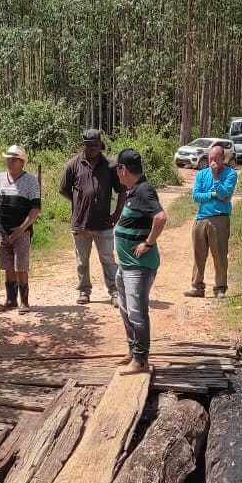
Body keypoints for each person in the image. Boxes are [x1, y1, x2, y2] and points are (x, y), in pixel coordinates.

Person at [112, 148, 168, 374]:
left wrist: (148, 243)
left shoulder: (144, 191)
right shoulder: (133, 190)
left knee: (137, 312)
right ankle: (133, 351)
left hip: (138, 267)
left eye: (118, 169)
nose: (117, 173)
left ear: (123, 169)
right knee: (126, 309)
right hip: (126, 265)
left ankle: (141, 360)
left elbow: (161, 217)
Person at [59, 129, 126, 306]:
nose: (92, 149)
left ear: (100, 146)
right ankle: (84, 291)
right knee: (82, 261)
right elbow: (64, 189)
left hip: (103, 223)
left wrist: (117, 214)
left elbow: (122, 191)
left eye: (95, 145)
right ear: (84, 145)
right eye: (89, 145)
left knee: (108, 259)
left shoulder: (110, 166)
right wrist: (78, 202)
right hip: (80, 223)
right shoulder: (74, 164)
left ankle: (114, 292)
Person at [0, 145, 43, 313]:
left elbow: (36, 209)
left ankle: (24, 302)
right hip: (1, 230)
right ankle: (10, 300)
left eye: (13, 159)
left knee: (21, 267)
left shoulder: (30, 181)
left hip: (21, 232)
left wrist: (21, 229)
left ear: (22, 162)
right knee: (8, 267)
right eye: (8, 158)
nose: (9, 161)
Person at [185, 142, 238, 299]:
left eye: (216, 158)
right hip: (201, 219)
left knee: (220, 255)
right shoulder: (201, 174)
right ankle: (197, 287)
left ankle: (220, 288)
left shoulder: (231, 174)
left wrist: (215, 177)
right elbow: (196, 196)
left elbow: (225, 195)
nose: (212, 162)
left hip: (220, 220)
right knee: (198, 255)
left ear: (223, 158)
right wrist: (212, 194)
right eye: (210, 159)